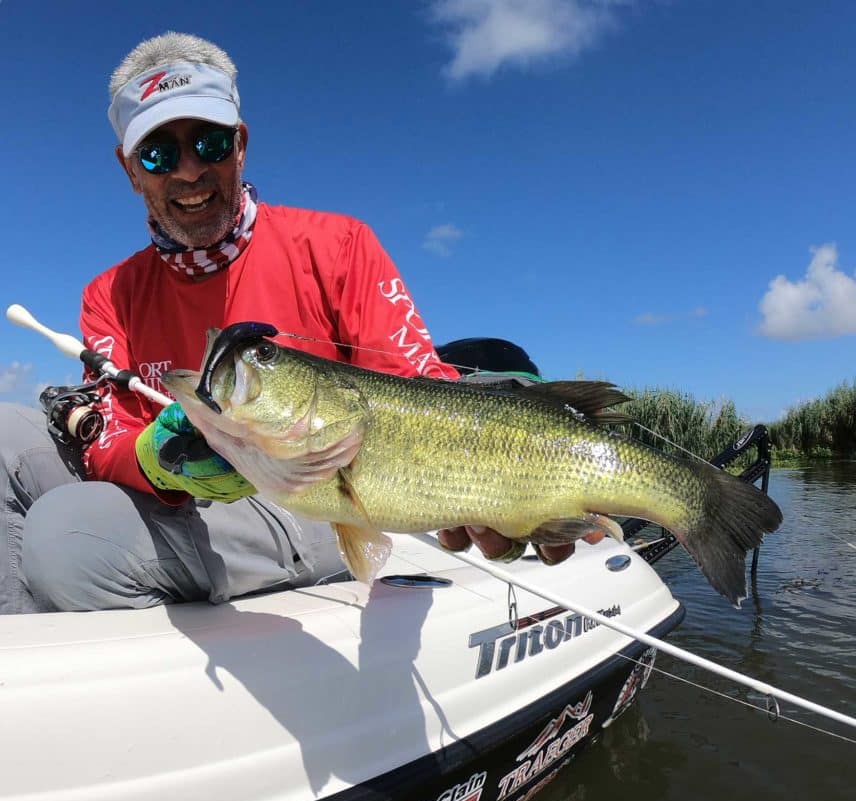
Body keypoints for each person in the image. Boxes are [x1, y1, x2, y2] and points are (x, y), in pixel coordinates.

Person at [0, 32, 587, 616]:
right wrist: (157, 458)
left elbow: (421, 394)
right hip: (170, 499)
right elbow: (108, 436)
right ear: (130, 169)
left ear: (241, 146)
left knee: (67, 540)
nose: (188, 171)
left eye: (209, 142)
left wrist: (507, 479)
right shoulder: (108, 292)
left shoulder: (342, 245)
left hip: (313, 496)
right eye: (158, 153)